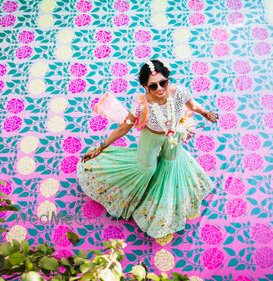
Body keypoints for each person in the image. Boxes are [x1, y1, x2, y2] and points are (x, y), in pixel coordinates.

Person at [76, 59, 219, 238]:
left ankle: (162, 199)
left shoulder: (180, 92)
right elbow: (124, 128)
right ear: (145, 86)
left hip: (173, 136)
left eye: (163, 82)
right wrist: (101, 147)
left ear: (168, 79)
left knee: (171, 164)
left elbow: (193, 106)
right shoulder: (141, 104)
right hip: (150, 137)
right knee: (147, 167)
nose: (159, 88)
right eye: (153, 86)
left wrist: (205, 113)